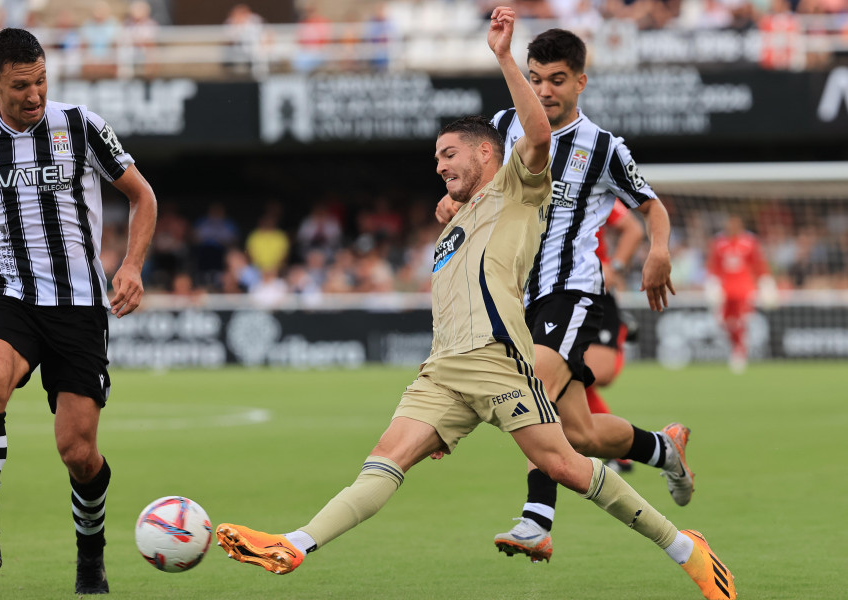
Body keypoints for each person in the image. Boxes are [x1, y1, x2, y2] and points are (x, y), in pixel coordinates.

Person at [215, 9, 735, 600]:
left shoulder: (523, 182)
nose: (438, 167)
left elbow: (536, 139)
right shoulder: (456, 221)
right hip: (445, 369)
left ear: (488, 155)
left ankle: (680, 548)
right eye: (436, 159)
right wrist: (452, 207)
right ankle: (294, 544)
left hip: (512, 348)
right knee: (392, 458)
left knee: (567, 460)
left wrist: (505, 58)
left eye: (447, 156)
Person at [435, 27, 689, 566]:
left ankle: (536, 521)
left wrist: (658, 250)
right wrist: (451, 203)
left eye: (556, 80)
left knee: (532, 393)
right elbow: (476, 188)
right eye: (535, 79)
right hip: (517, 297)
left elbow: (652, 207)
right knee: (583, 434)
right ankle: (663, 448)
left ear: (580, 81)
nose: (544, 91)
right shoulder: (505, 128)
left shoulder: (603, 147)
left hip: (572, 293)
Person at [0, 28, 157, 595]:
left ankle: (91, 557)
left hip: (78, 307)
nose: (35, 94)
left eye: (41, 80)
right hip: (10, 296)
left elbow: (143, 195)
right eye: (21, 85)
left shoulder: (81, 126)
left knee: (78, 451)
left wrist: (132, 265)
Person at [586, 199, 645, 473]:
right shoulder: (525, 183)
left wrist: (616, 267)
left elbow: (633, 228)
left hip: (594, 291)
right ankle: (618, 454)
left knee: (593, 376)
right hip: (550, 294)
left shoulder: (591, 183)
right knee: (560, 381)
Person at [705, 214, 776, 373]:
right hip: (726, 289)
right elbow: (713, 266)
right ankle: (736, 349)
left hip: (745, 288)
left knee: (741, 321)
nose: (732, 226)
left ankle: (740, 353)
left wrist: (766, 282)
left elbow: (759, 264)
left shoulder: (750, 242)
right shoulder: (719, 243)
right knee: (725, 322)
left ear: (741, 225)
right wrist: (712, 284)